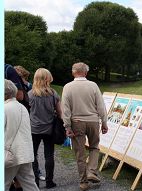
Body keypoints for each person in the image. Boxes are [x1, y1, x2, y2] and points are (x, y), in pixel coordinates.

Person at [61, 62, 108, 191]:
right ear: (86, 73)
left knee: (80, 154)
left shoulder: (67, 87)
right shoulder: (93, 86)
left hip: (76, 122)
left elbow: (65, 109)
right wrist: (104, 122)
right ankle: (91, 171)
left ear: (73, 72)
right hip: (93, 121)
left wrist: (67, 126)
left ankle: (83, 182)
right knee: (94, 147)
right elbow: (101, 106)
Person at [28, 68, 61, 189]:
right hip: (49, 129)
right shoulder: (53, 94)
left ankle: (35, 181)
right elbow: (60, 112)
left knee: (33, 155)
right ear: (48, 78)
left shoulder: (30, 94)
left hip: (34, 129)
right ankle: (49, 181)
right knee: (49, 155)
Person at [5, 79, 39, 191]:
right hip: (24, 153)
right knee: (30, 185)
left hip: (10, 155)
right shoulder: (21, 107)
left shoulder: (4, 108)